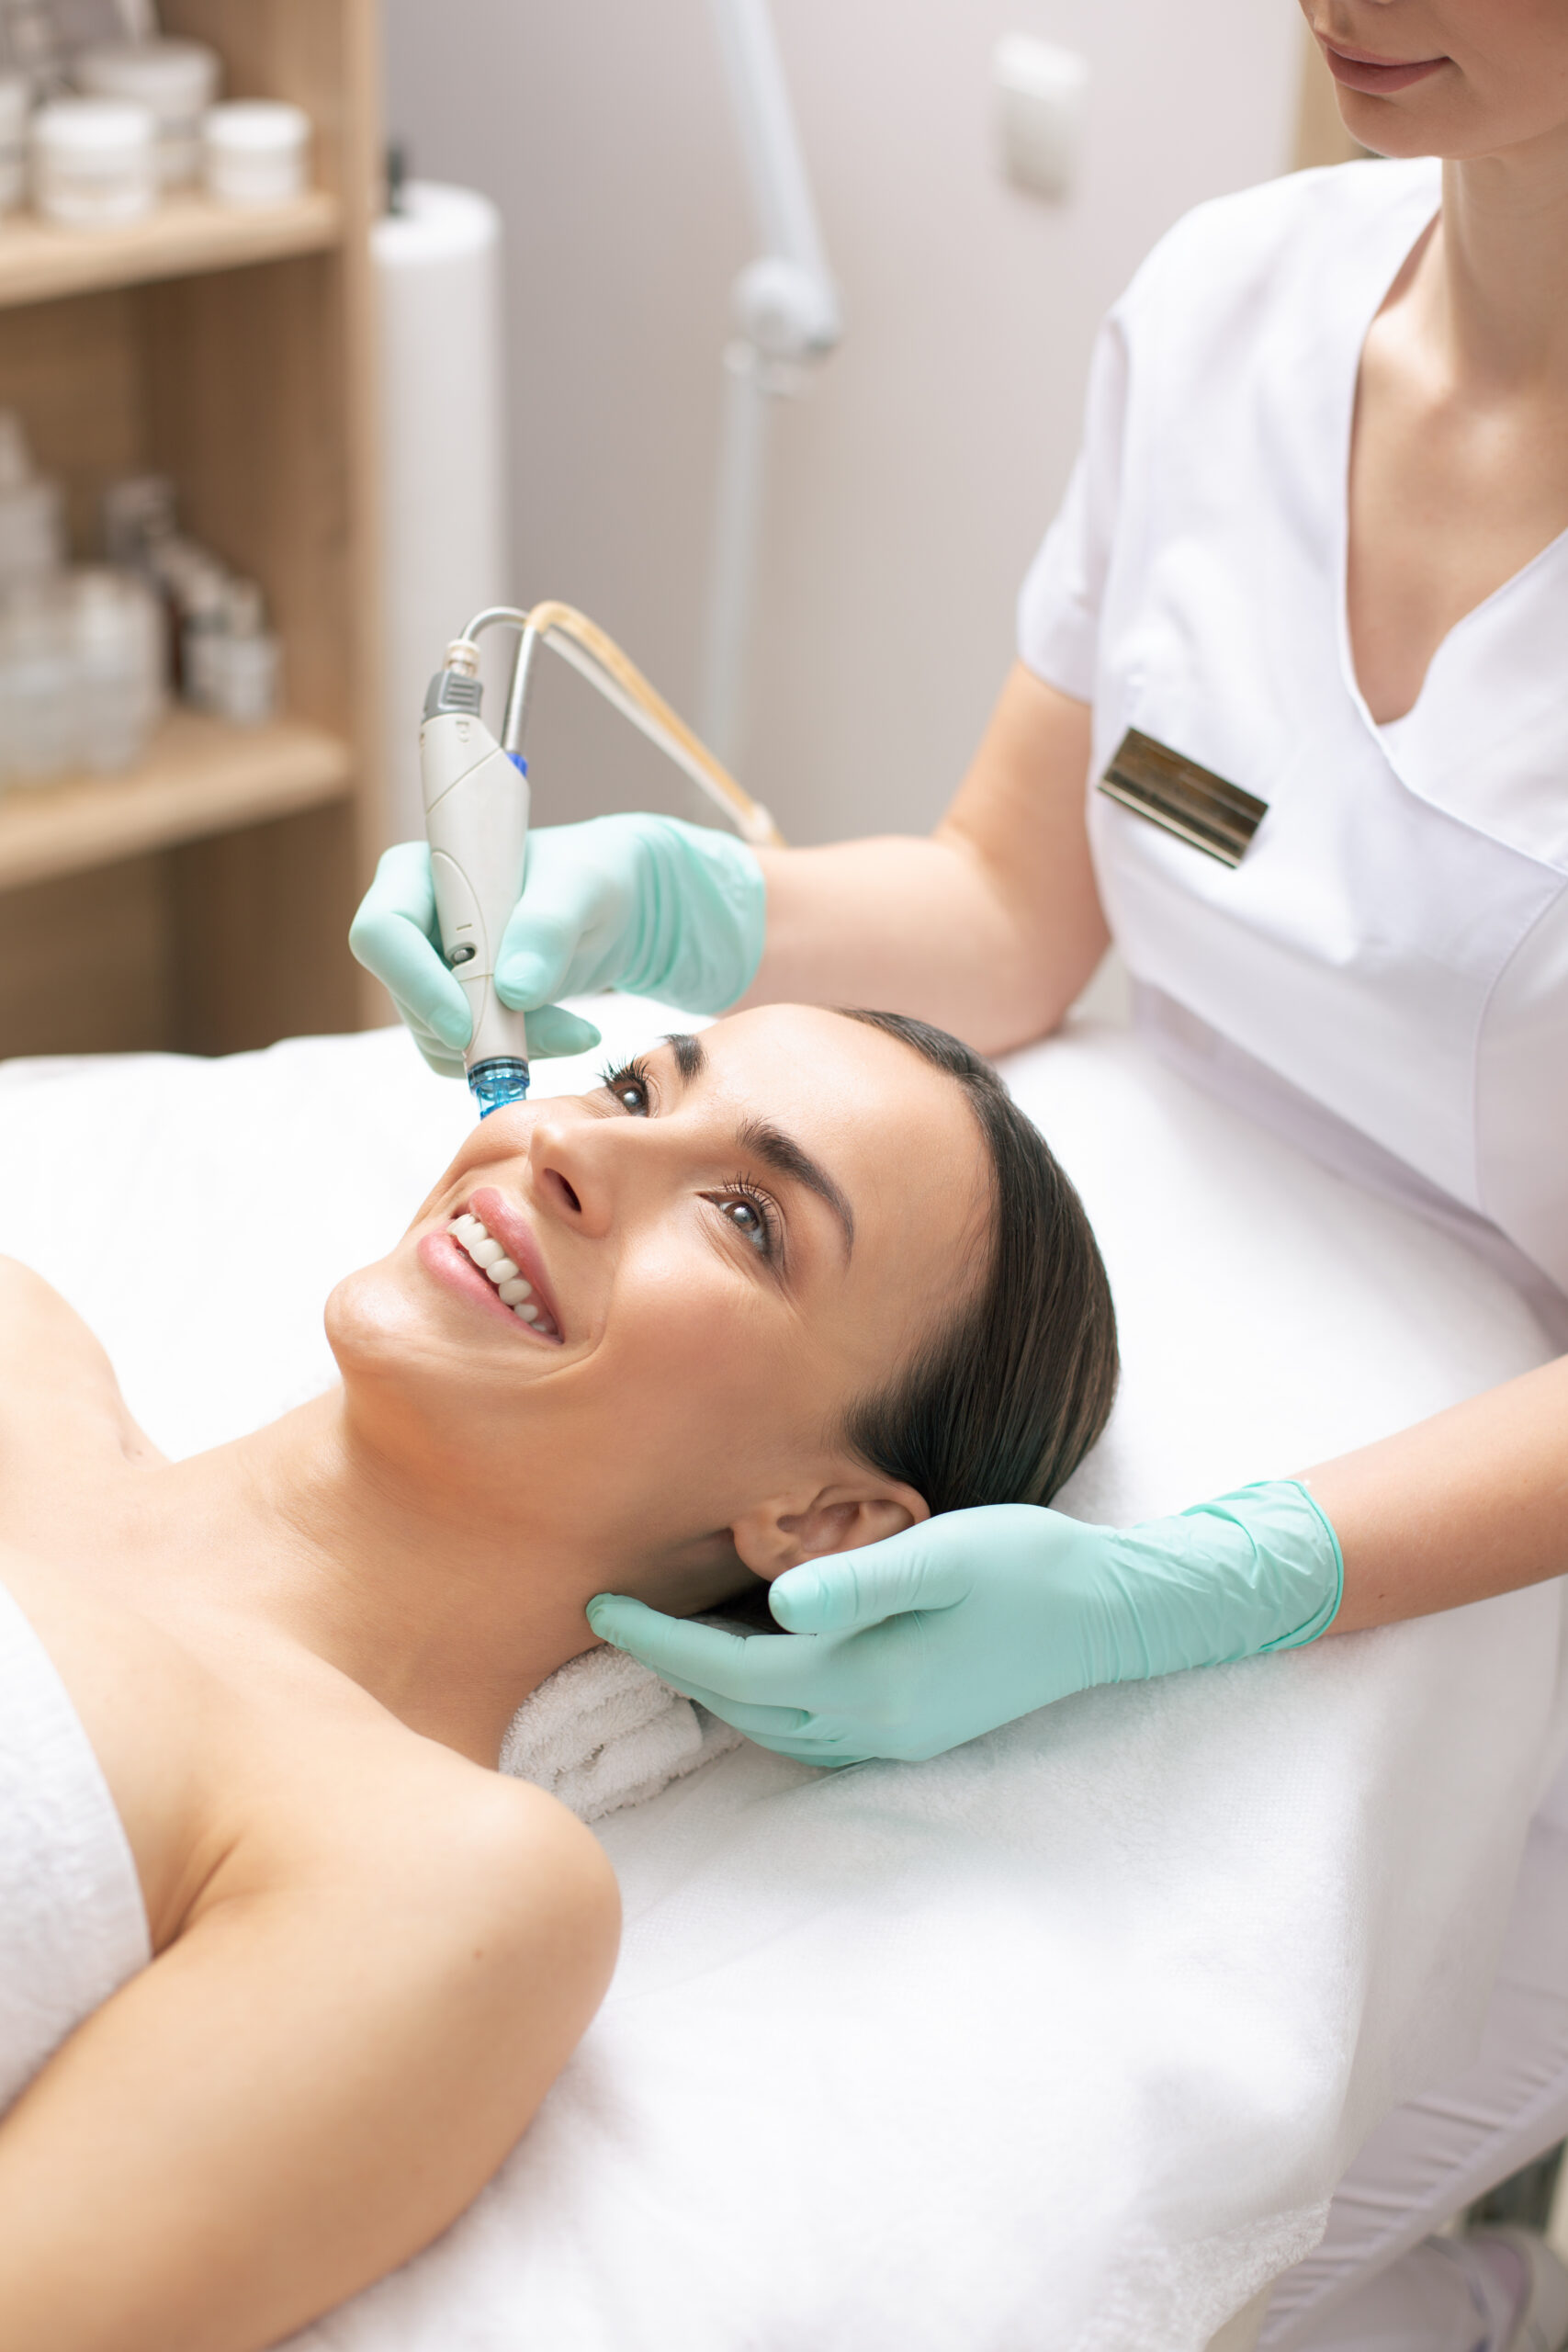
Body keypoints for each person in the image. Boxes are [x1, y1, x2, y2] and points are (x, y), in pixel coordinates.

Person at [353, 4, 1568, 2341]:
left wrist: (1194, 1588)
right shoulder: (1229, 306)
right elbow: (1015, 907)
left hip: (1484, 1586)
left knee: (1130, 2258)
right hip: (1100, 1357)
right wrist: (661, 908)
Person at [0, 1003, 1118, 2352]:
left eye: (748, 1220)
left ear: (825, 1522)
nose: (571, 1152)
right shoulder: (18, 1340)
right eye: (632, 1093)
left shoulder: (430, 1874)